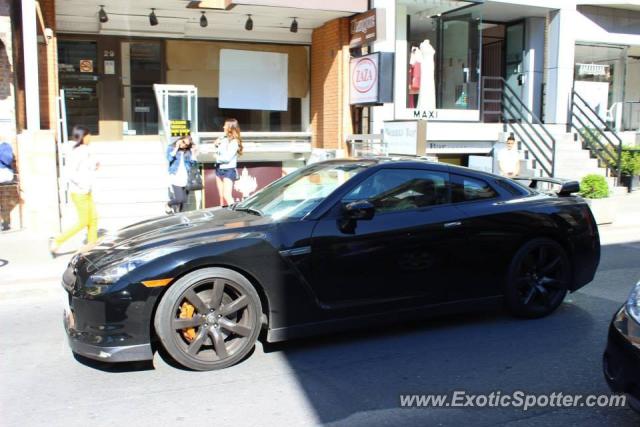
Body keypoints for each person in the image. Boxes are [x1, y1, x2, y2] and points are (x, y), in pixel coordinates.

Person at [49, 125, 99, 256]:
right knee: (84, 221)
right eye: (88, 135)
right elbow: (70, 172)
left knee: (93, 218)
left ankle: (92, 244)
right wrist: (83, 185)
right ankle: (58, 240)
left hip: (86, 190)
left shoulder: (85, 150)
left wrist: (94, 165)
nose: (90, 137)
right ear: (83, 137)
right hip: (79, 191)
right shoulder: (78, 152)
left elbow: (87, 167)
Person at [214, 118, 243, 206]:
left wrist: (217, 158)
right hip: (219, 168)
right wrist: (216, 145)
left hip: (228, 170)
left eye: (225, 125)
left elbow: (227, 158)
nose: (223, 127)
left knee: (227, 195)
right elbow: (219, 152)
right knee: (221, 196)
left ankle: (234, 213)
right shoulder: (223, 139)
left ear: (230, 127)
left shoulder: (234, 142)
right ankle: (224, 214)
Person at [166, 135, 197, 214]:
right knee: (180, 199)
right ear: (180, 139)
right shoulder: (171, 147)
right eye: (183, 142)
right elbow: (169, 158)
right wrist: (176, 148)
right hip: (175, 176)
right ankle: (168, 204)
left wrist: (193, 153)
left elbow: (192, 163)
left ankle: (178, 214)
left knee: (184, 200)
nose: (183, 145)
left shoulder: (187, 151)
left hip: (185, 176)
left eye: (186, 144)